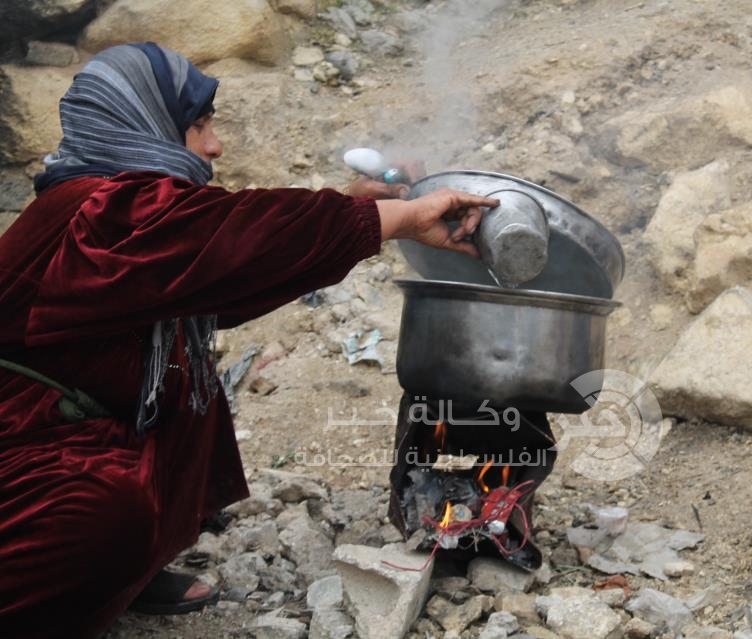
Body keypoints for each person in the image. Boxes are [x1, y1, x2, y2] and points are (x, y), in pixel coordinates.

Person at [0, 42, 498, 638]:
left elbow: (221, 269)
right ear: (142, 122)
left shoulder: (115, 207)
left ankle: (123, 574)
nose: (214, 146)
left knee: (185, 383)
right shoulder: (95, 212)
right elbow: (232, 238)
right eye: (199, 126)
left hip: (61, 421)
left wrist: (355, 211)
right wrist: (393, 220)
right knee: (103, 507)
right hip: (18, 441)